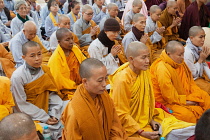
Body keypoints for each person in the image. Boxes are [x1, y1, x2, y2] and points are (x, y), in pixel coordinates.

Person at [61, 58, 142, 140]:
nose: (104, 84)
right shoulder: (74, 112)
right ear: (85, 82)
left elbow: (114, 125)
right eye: (100, 80)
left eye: (105, 78)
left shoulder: (104, 96)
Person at [11, 41, 67, 139]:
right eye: (32, 56)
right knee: (38, 130)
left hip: (49, 108)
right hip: (30, 114)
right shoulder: (17, 76)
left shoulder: (45, 69)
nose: (37, 58)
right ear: (23, 58)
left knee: (70, 107)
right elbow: (21, 104)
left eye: (39, 54)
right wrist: (44, 117)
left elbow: (51, 94)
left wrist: (54, 113)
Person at [150, 41, 210, 123]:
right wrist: (187, 102)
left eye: (183, 54)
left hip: (185, 95)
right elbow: (168, 96)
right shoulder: (162, 69)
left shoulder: (179, 63)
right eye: (179, 55)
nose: (182, 57)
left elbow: (189, 83)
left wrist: (194, 95)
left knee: (205, 97)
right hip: (167, 102)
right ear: (169, 54)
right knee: (187, 115)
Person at [48, 28, 86, 100]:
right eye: (67, 40)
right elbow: (59, 80)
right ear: (59, 42)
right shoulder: (55, 59)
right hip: (68, 89)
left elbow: (85, 64)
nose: (71, 42)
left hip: (82, 83)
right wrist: (76, 87)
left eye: (72, 38)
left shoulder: (75, 49)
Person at [184, 26, 210, 94]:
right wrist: (200, 60)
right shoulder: (187, 52)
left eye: (204, 37)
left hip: (200, 76)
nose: (203, 39)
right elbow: (193, 74)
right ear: (191, 38)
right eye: (200, 37)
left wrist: (203, 59)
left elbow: (204, 65)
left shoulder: (198, 48)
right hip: (191, 80)